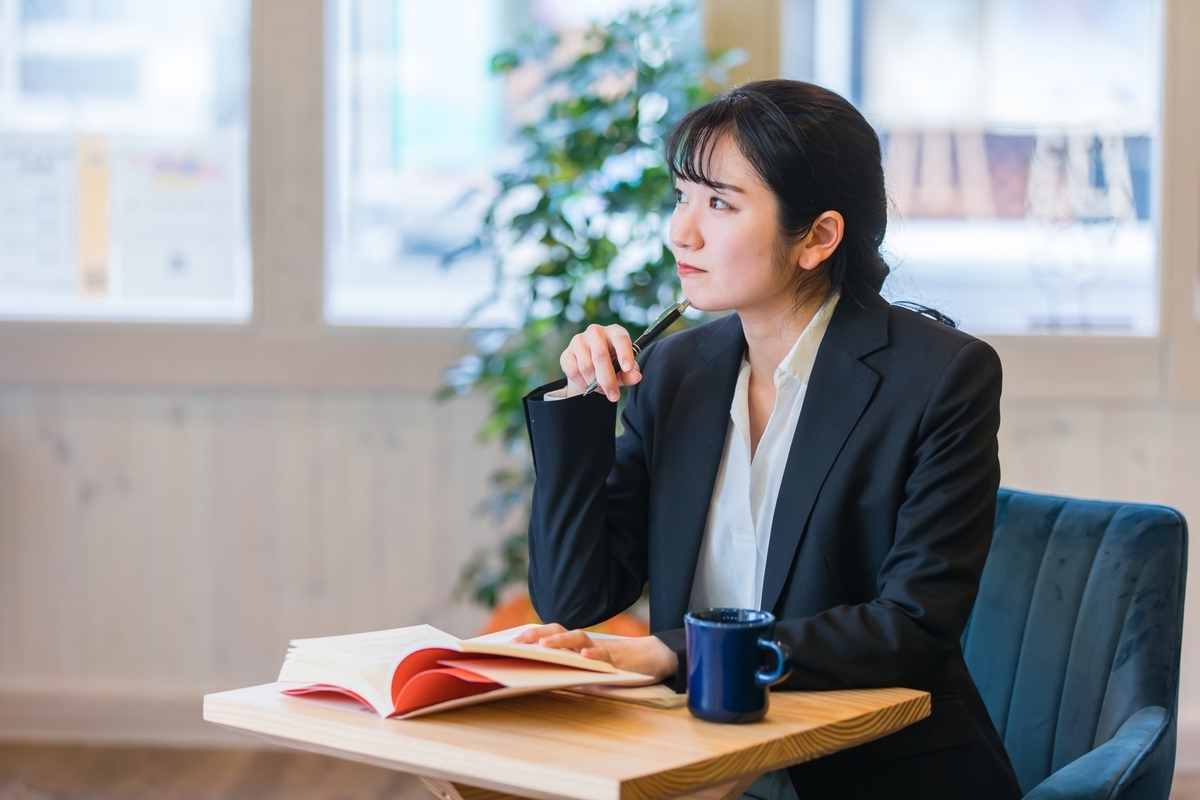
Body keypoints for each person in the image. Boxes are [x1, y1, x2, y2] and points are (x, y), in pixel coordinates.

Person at [513, 80, 1022, 799]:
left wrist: (672, 654)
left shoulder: (942, 376)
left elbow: (909, 627)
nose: (681, 232)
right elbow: (574, 595)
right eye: (682, 195)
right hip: (702, 763)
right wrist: (578, 408)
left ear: (817, 236)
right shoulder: (675, 370)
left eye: (720, 203)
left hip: (879, 774)